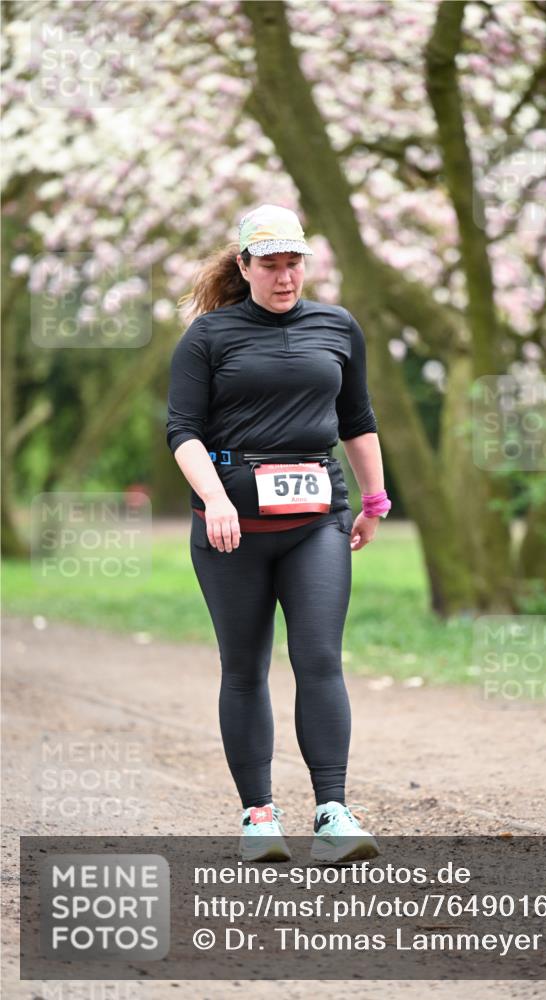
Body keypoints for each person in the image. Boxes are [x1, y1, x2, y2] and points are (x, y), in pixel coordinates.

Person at [166, 204, 392, 863]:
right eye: (270, 265)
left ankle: (332, 812)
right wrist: (213, 500)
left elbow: (357, 418)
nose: (285, 276)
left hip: (315, 521)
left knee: (319, 658)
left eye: (294, 262)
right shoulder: (208, 338)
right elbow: (183, 432)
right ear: (244, 266)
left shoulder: (337, 327)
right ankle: (259, 817)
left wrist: (373, 501)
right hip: (232, 525)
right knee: (243, 668)